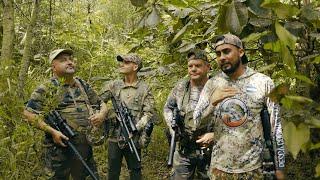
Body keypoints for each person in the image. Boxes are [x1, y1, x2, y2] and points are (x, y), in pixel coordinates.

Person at [194, 34, 285, 179]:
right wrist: (212, 103)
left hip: (254, 169)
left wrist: (280, 167)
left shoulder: (262, 82)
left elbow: (276, 128)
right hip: (220, 169)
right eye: (218, 54)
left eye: (226, 51)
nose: (222, 57)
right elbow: (196, 122)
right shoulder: (213, 84)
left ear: (241, 52)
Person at [23, 49, 100, 179]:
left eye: (70, 59)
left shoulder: (82, 84)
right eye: (63, 60)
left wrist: (101, 114)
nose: (69, 62)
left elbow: (100, 103)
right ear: (53, 66)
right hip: (59, 147)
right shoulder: (47, 88)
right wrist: (53, 132)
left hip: (84, 145)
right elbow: (28, 114)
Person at [89, 53, 157, 180]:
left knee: (135, 170)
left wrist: (135, 128)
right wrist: (103, 113)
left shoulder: (144, 88)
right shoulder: (114, 85)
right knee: (113, 171)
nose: (122, 65)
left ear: (135, 66)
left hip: (133, 137)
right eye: (122, 62)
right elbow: (97, 101)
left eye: (126, 63)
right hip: (114, 136)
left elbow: (149, 113)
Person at [163, 49, 213, 180]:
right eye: (190, 66)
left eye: (198, 65)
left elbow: (228, 119)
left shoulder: (217, 86)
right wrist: (172, 128)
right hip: (185, 149)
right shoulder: (181, 87)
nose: (193, 69)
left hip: (211, 151)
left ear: (208, 67)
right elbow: (168, 107)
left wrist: (214, 135)